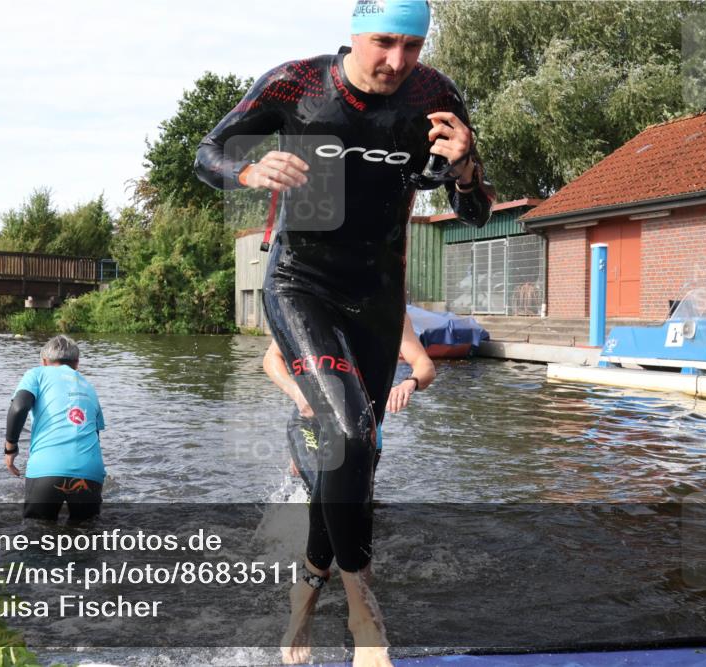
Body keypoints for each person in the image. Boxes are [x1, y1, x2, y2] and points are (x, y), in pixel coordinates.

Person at [194, 2, 493, 664]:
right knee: (350, 430)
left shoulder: (435, 95)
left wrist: (467, 170)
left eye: (412, 46)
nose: (397, 61)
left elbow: (474, 209)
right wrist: (248, 171)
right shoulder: (297, 86)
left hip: (377, 298)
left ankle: (300, 611)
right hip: (301, 283)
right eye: (385, 42)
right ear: (356, 31)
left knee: (355, 459)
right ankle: (363, 606)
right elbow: (206, 151)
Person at [265, 312, 436, 495]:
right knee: (323, 493)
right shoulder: (310, 302)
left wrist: (409, 383)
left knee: (356, 503)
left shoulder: (390, 312)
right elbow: (271, 358)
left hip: (365, 430)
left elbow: (424, 365)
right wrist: (296, 391)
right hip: (311, 420)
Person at [3, 335, 107, 522]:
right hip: (90, 471)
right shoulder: (89, 386)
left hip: (47, 469)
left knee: (37, 537)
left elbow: (18, 407)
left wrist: (10, 448)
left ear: (44, 361)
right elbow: (95, 434)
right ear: (77, 363)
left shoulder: (37, 374)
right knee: (86, 539)